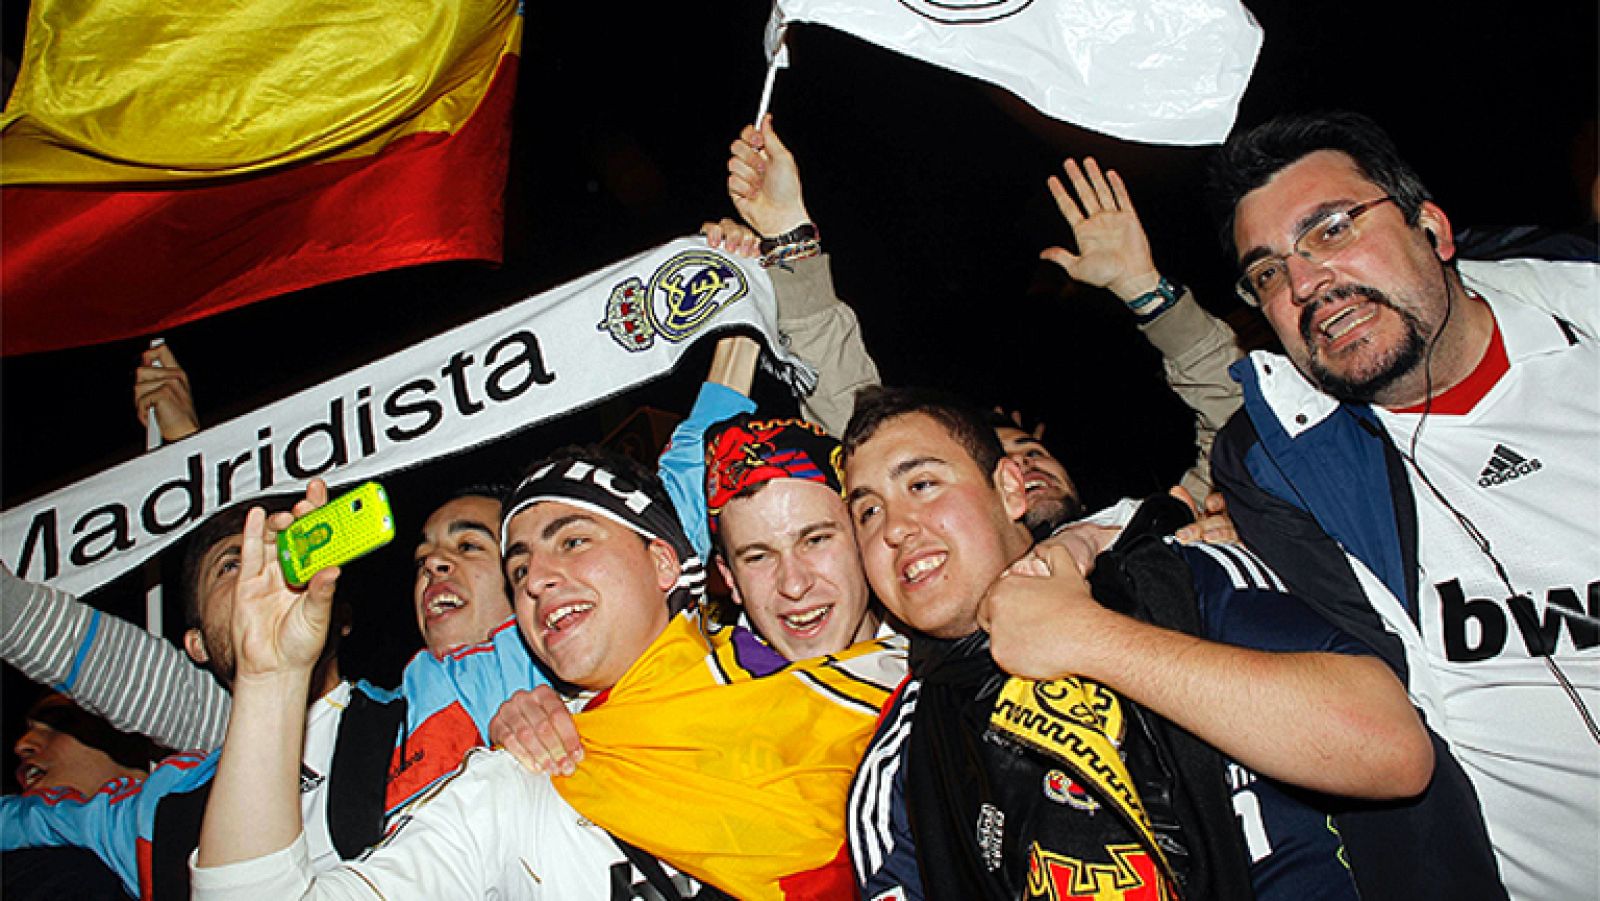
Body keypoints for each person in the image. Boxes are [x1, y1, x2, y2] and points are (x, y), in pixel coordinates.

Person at [192, 446, 898, 899]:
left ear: (662, 562)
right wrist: (270, 678)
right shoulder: (523, 777)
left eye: (574, 541)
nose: (536, 579)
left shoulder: (866, 674)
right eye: (519, 567)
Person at [1207, 109, 1598, 900]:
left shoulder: (1582, 325)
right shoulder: (1281, 464)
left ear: (1433, 228)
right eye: (1268, 273)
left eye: (1331, 229)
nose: (1305, 284)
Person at [840, 387, 1434, 901]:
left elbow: (1390, 750)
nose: (895, 528)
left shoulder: (1179, 578)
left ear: (1011, 490)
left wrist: (1087, 636)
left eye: (923, 484)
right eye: (867, 512)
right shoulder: (897, 771)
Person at [0, 489, 547, 899]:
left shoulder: (446, 695)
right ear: (196, 644)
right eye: (232, 566)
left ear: (338, 613)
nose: (263, 576)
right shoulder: (156, 807)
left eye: (284, 555)